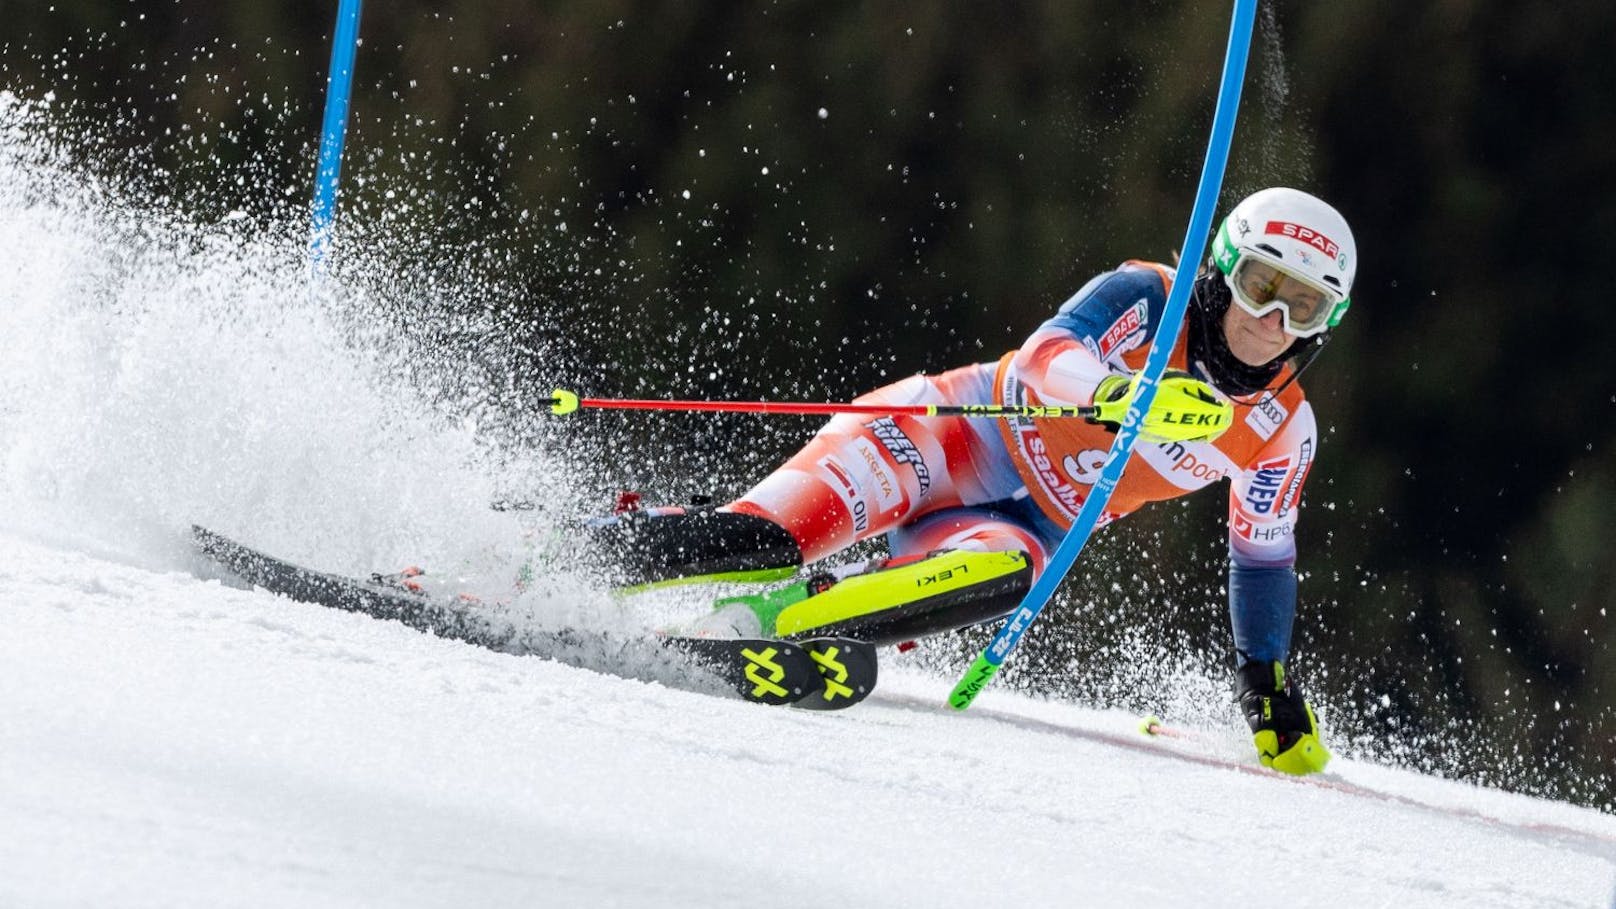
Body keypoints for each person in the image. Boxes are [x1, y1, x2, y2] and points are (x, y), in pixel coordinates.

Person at [587, 187, 1355, 775]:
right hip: (944, 434)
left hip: (1022, 526)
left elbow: (1263, 553)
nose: (1272, 322)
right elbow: (1046, 353)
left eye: (1303, 306)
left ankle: (779, 617)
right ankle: (568, 553)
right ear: (1224, 268)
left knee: (1004, 572)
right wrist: (1121, 394)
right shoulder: (1151, 296)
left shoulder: (1283, 431)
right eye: (1261, 286)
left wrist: (1265, 677)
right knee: (765, 536)